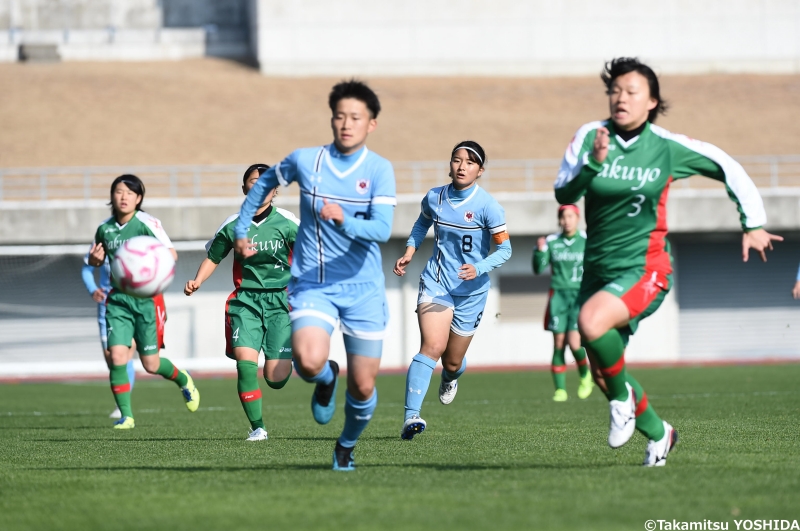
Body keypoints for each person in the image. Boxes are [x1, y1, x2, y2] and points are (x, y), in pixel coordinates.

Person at [555, 57, 782, 466]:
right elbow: (563, 192)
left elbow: (727, 167)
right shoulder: (591, 136)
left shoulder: (666, 146)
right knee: (605, 375)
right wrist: (592, 166)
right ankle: (661, 435)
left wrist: (753, 223)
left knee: (590, 323)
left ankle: (622, 402)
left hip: (646, 268)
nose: (621, 98)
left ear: (652, 102)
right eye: (615, 90)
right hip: (597, 271)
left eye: (631, 91)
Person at [233, 80, 396, 471]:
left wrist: (345, 220)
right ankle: (325, 378)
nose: (347, 124)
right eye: (340, 116)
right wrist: (240, 230)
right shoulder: (306, 161)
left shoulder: (379, 169)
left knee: (364, 386)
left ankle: (346, 445)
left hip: (362, 289)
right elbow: (264, 183)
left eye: (355, 117)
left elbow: (382, 229)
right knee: (307, 361)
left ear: (371, 123)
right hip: (313, 284)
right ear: (331, 119)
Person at [393, 140, 512, 440]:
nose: (462, 166)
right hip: (437, 283)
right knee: (432, 346)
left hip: (472, 292)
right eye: (457, 160)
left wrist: (479, 267)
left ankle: (450, 376)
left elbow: (505, 250)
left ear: (480, 171)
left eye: (470, 162)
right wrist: (410, 250)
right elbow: (421, 223)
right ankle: (411, 417)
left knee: (452, 361)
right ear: (450, 164)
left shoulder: (488, 206)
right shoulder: (435, 197)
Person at [185, 164, 299, 441]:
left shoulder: (288, 222)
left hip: (282, 301)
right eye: (253, 181)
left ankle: (294, 357)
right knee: (245, 364)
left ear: (275, 190)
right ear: (245, 188)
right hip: (245, 301)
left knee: (275, 378)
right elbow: (213, 257)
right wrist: (197, 280)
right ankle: (258, 427)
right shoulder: (233, 224)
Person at [88, 174, 200, 429]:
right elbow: (95, 260)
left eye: (130, 193)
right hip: (118, 301)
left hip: (148, 301)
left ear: (138, 198)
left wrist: (145, 265)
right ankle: (126, 416)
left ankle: (183, 379)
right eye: (119, 192)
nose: (124, 197)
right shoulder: (104, 229)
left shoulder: (147, 223)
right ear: (112, 196)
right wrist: (95, 261)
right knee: (117, 356)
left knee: (151, 363)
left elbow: (171, 255)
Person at [533, 205, 593, 402]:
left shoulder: (587, 240)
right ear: (559, 220)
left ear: (578, 218)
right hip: (558, 297)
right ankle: (560, 390)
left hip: (579, 297)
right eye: (563, 217)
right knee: (558, 344)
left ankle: (585, 375)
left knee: (575, 343)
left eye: (570, 216)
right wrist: (539, 252)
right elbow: (538, 269)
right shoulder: (552, 241)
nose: (566, 220)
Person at [80, 252, 136, 418]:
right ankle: (123, 400)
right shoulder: (102, 239)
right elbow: (86, 269)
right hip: (107, 306)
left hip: (131, 304)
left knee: (123, 355)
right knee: (112, 359)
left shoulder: (137, 237)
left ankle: (122, 407)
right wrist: (92, 289)